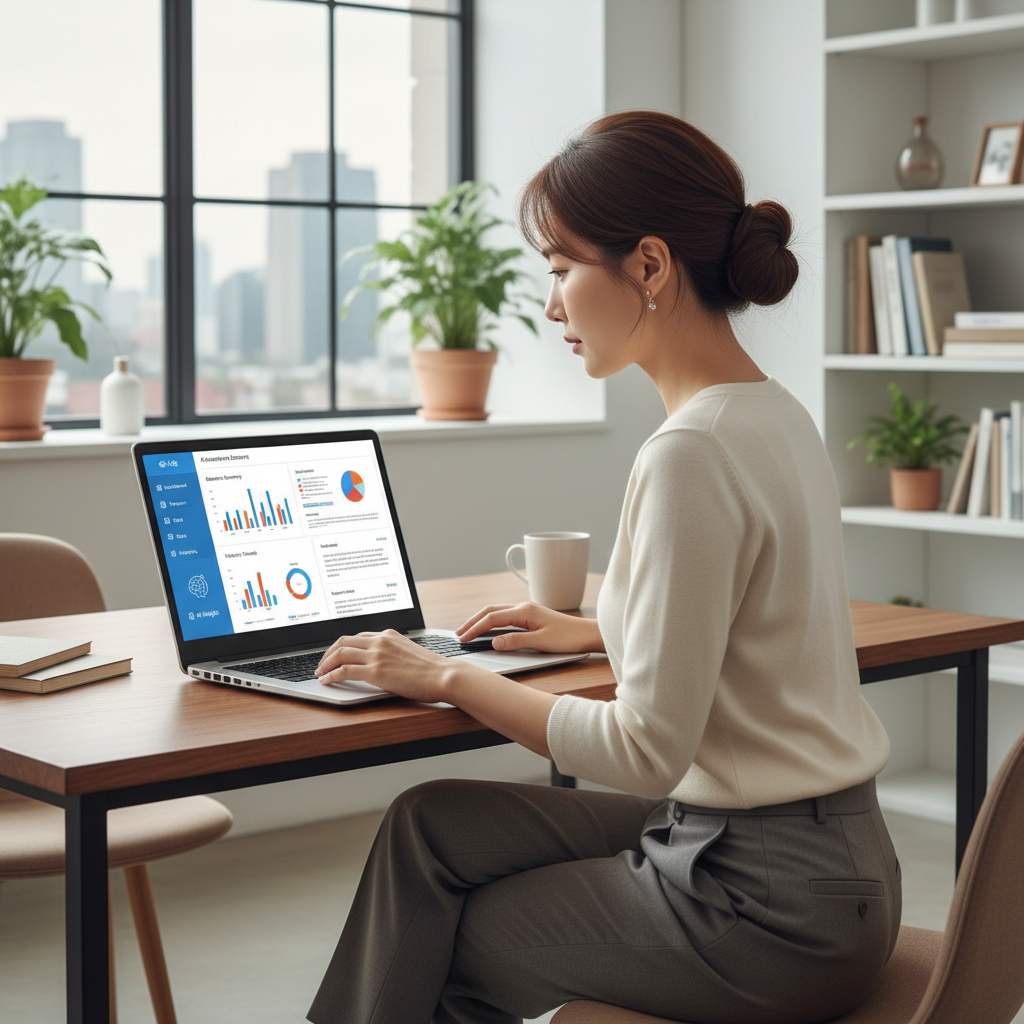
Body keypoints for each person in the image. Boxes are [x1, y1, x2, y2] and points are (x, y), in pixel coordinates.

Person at [307, 111, 900, 1024]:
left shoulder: (690, 453)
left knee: (438, 935)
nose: (550, 307)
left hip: (765, 906)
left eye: (559, 269)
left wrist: (446, 676)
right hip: (825, 862)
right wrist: (597, 629)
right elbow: (749, 628)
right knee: (432, 826)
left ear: (650, 267)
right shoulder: (770, 414)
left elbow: (644, 748)